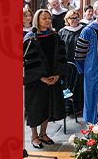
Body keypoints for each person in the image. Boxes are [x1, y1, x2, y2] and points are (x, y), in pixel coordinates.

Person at [22, 9, 67, 148]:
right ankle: (34, 136)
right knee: (35, 108)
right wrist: (41, 77)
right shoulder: (30, 38)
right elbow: (28, 61)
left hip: (52, 78)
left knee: (47, 106)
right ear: (37, 20)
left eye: (49, 18)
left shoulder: (55, 36)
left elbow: (61, 57)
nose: (47, 21)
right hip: (36, 81)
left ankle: (43, 133)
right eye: (44, 19)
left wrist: (57, 74)